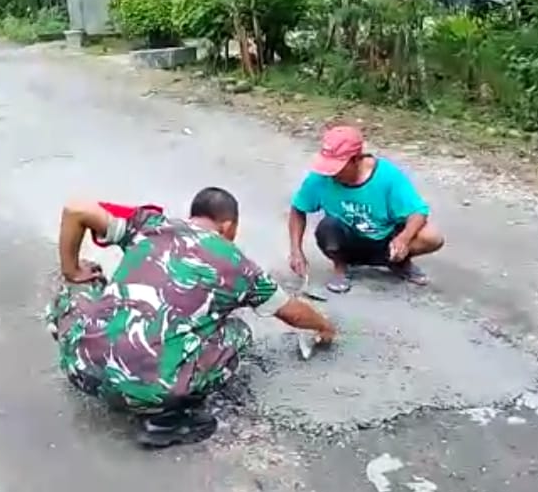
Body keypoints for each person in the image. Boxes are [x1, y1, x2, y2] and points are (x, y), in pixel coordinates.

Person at [44, 187, 337, 448]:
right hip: (147, 390)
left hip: (80, 370)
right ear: (228, 226)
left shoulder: (150, 225)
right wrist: (324, 326)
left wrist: (72, 270)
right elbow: (291, 312)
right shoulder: (240, 266)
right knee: (237, 332)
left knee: (84, 282)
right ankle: (167, 418)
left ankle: (79, 340)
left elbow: (75, 209)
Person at [288, 125, 445, 294]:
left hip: (386, 239)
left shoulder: (387, 174)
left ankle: (398, 261)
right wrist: (296, 251)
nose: (333, 173)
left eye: (338, 168)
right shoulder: (321, 178)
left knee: (431, 236)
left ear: (356, 159)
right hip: (347, 240)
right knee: (328, 227)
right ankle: (340, 267)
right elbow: (298, 209)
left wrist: (403, 239)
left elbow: (418, 211)